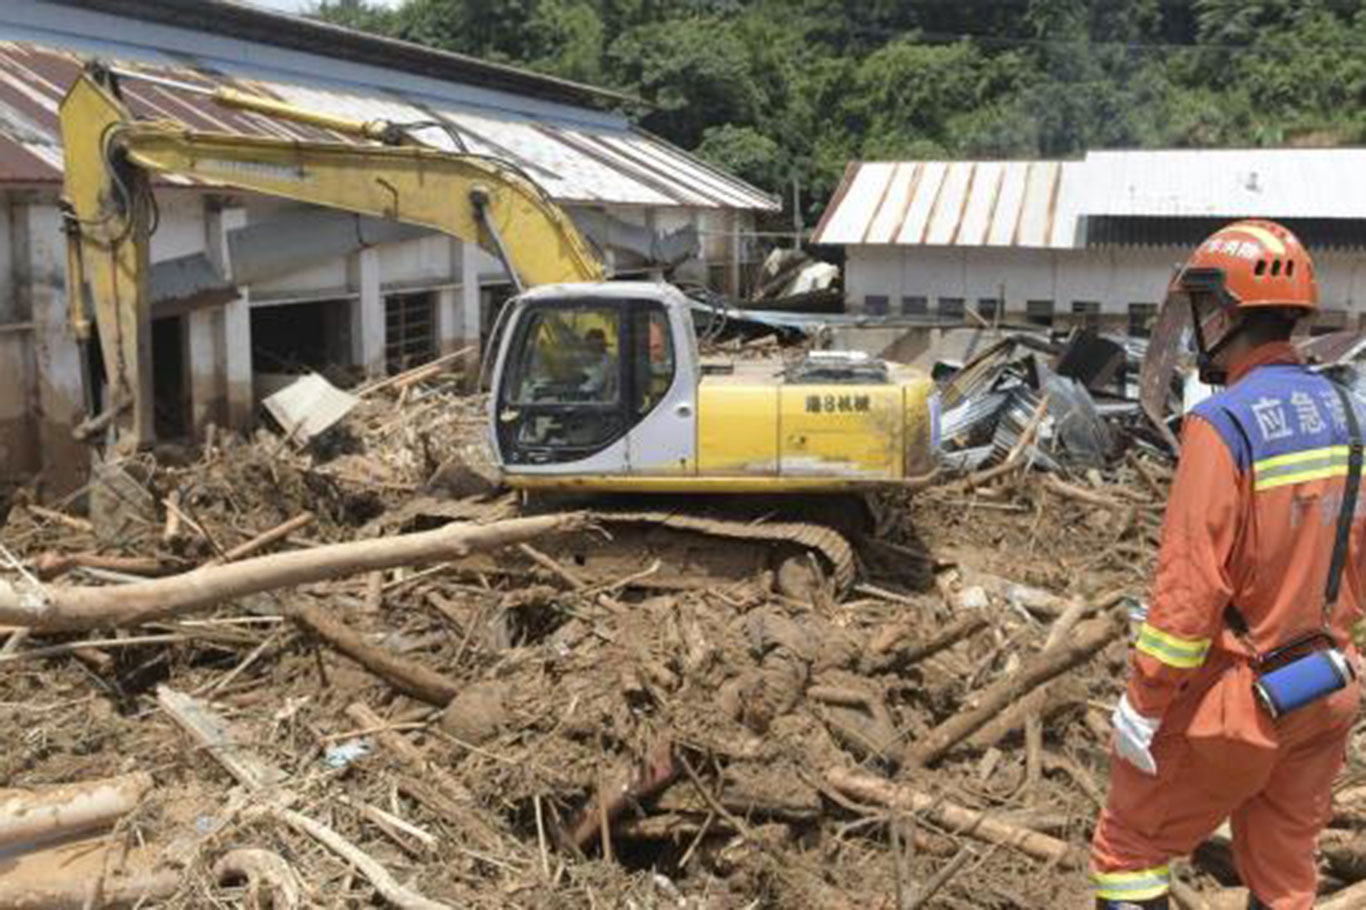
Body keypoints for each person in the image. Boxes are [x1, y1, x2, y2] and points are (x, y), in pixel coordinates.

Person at [1091, 220, 1364, 910]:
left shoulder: (1223, 425)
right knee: (1283, 876)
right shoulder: (1351, 416)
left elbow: (1189, 591)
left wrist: (1145, 702)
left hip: (1239, 700)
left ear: (1224, 313)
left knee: (1128, 852)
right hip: (1326, 691)